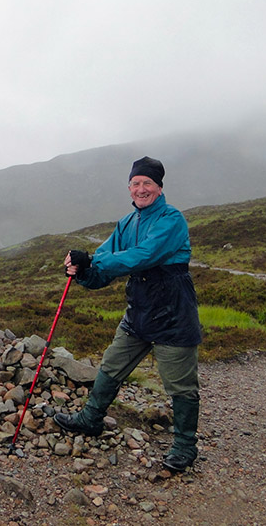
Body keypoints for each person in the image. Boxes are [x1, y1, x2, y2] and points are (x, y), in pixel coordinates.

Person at [53, 156, 202, 473]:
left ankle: (185, 446)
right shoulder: (126, 223)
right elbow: (103, 265)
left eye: (147, 183)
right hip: (140, 311)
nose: (141, 188)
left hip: (174, 314)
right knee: (112, 364)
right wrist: (83, 269)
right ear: (129, 188)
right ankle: (91, 418)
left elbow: (141, 257)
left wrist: (95, 262)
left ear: (159, 188)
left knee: (180, 385)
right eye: (136, 183)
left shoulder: (172, 220)